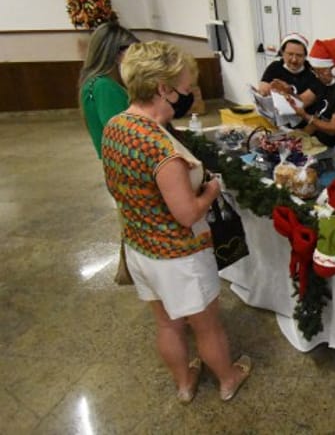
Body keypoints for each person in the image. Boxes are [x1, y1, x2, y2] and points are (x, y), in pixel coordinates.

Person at [102, 41, 252, 403]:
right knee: (207, 327)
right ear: (163, 88)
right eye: (185, 87)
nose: (189, 94)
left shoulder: (116, 125)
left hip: (140, 247)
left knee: (167, 324)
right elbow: (187, 214)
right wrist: (211, 190)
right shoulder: (162, 150)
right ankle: (228, 379)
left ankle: (185, 385)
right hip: (179, 256)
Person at [78, 21, 139, 157]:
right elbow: (123, 135)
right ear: (117, 55)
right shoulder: (104, 86)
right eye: (133, 52)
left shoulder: (98, 82)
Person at [287, 38, 335, 147]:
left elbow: (333, 129)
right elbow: (302, 101)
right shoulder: (321, 81)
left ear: (334, 70)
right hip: (317, 139)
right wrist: (287, 91)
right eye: (315, 71)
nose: (316, 75)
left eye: (319, 71)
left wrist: (306, 116)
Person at [256, 32, 315, 98]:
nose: (294, 60)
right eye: (290, 54)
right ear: (282, 53)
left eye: (299, 55)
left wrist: (287, 91)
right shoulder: (274, 67)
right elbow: (263, 89)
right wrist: (264, 91)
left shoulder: (312, 73)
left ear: (305, 56)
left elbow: (304, 101)